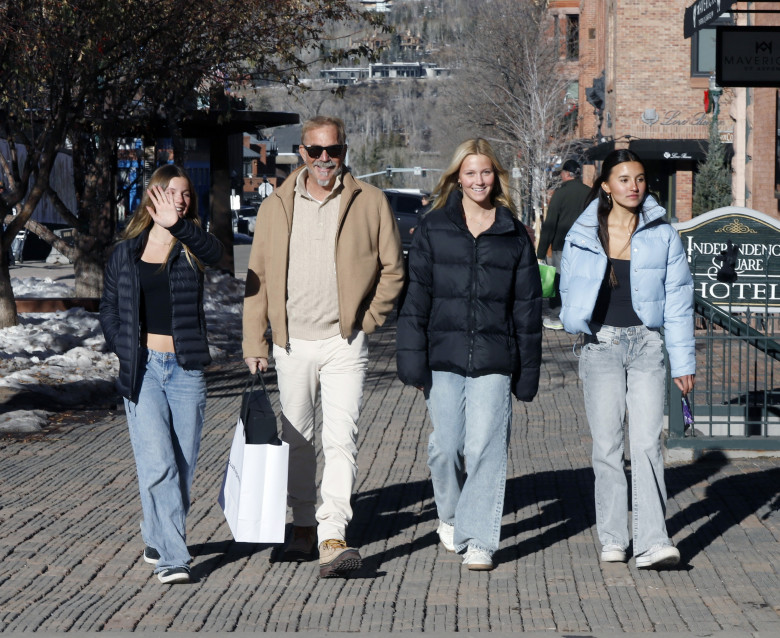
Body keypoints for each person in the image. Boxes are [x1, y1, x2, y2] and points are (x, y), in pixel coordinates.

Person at [242, 115, 404, 578]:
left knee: (340, 440)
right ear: (302, 154)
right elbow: (258, 278)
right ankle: (301, 525)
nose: (324, 160)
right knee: (296, 439)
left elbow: (393, 269)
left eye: (332, 150)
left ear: (344, 151)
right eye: (315, 151)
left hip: (343, 343)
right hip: (291, 344)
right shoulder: (276, 205)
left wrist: (367, 319)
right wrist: (254, 339)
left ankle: (333, 533)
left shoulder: (369, 202)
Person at [396, 138, 542, 571]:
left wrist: (527, 370)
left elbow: (527, 308)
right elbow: (416, 298)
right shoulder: (434, 227)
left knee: (484, 447)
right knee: (447, 447)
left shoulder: (513, 232)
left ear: (496, 176)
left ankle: (480, 539)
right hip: (443, 356)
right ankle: (451, 515)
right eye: (471, 172)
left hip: (496, 357)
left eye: (486, 172)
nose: (479, 180)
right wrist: (412, 359)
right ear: (457, 177)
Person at [559, 149, 695, 569]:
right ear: (605, 185)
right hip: (601, 345)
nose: (633, 186)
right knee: (607, 446)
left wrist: (683, 360)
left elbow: (678, 299)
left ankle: (654, 540)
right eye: (623, 179)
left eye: (638, 179)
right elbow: (569, 284)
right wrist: (575, 321)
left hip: (647, 346)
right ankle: (614, 537)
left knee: (648, 444)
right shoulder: (583, 233)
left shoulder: (662, 233)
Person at [100, 164, 223, 584]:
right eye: (174, 192)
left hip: (186, 368)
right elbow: (110, 308)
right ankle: (173, 555)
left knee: (183, 466)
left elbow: (217, 254)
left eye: (187, 194)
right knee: (159, 464)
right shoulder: (126, 251)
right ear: (154, 194)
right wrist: (124, 346)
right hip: (144, 370)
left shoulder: (192, 244)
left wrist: (179, 226)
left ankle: (156, 533)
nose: (182, 200)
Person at [537, 159, 591, 330]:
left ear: (566, 174)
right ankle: (581, 316)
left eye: (561, 172)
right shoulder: (590, 193)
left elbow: (550, 223)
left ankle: (558, 315)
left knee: (560, 281)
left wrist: (541, 252)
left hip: (562, 245)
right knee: (582, 281)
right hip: (586, 246)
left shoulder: (560, 194)